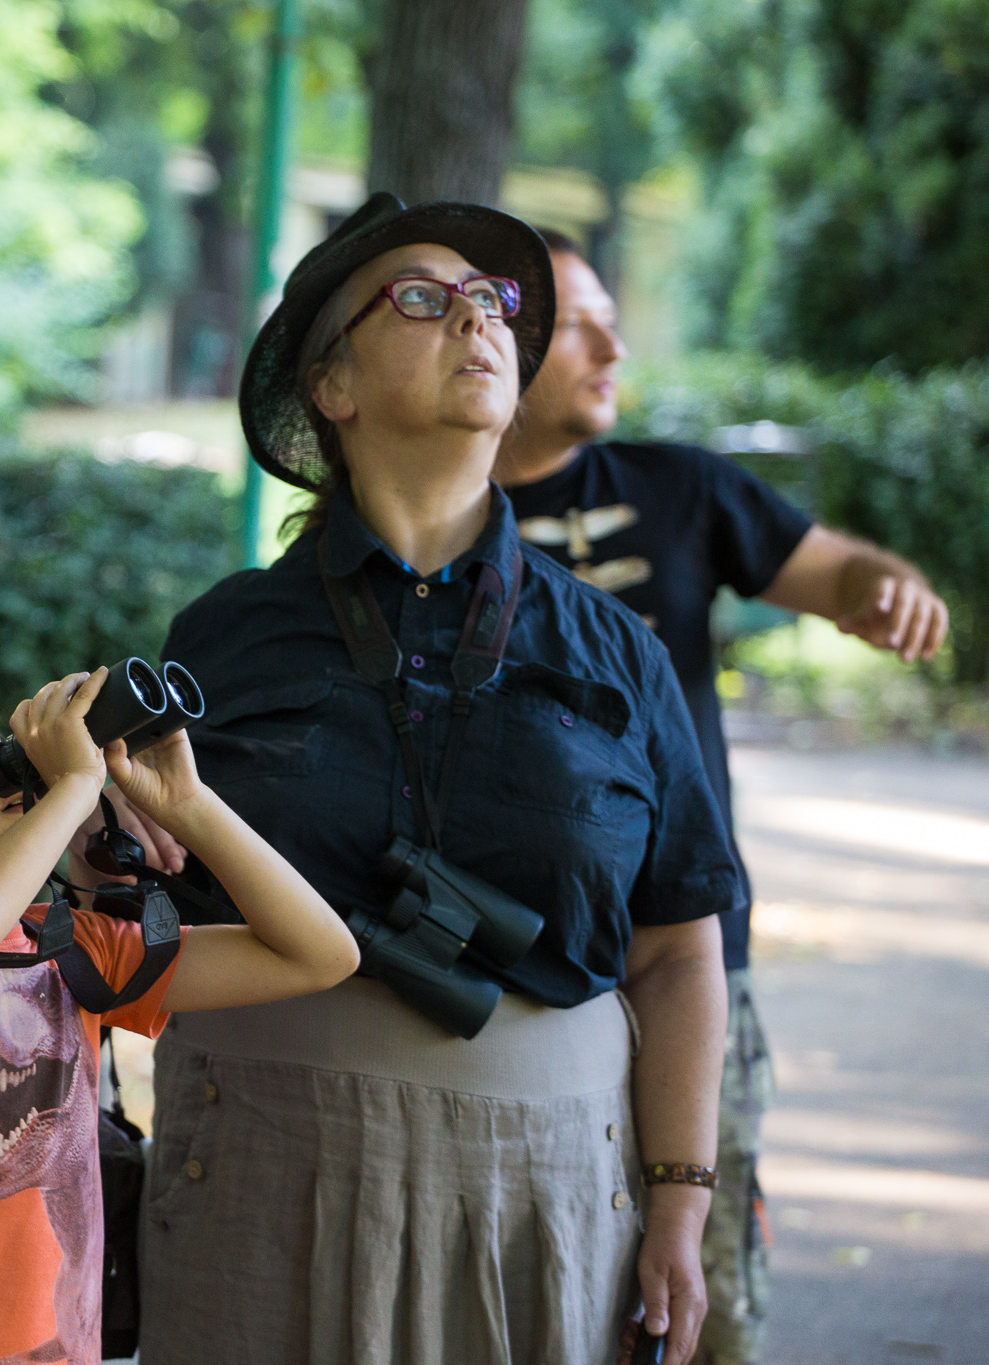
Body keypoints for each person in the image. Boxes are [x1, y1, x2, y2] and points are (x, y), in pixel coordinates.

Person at [141, 194, 740, 1365]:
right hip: (255, 1161)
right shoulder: (221, 636)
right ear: (333, 388)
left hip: (545, 1182)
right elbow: (151, 904)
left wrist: (678, 1201)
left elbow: (676, 951)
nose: (475, 320)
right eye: (422, 298)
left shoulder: (615, 650)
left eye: (492, 303)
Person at [494, 229, 951, 1365]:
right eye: (575, 321)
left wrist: (883, 588)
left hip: (689, 958)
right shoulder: (425, 529)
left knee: (698, 1301)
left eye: (609, 315)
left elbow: (836, 569)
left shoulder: (677, 489)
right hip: (487, 979)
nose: (612, 343)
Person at [0, 665, 357, 1365]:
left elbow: (319, 954)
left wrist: (189, 804)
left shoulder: (70, 947)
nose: (0, 763)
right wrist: (77, 788)